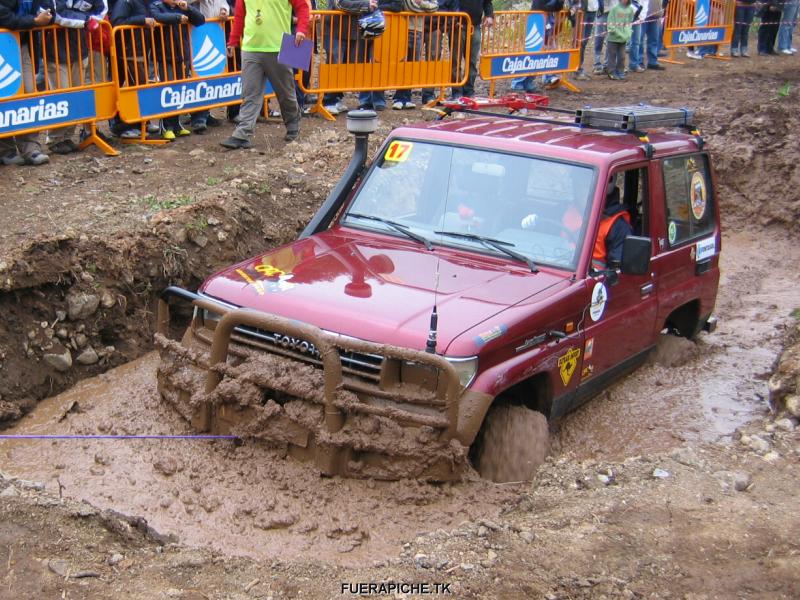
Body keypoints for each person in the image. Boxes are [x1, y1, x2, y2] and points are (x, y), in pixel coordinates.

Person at [221, 0, 309, 148]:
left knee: (285, 92)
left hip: (279, 47)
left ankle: (293, 125)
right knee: (250, 94)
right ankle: (243, 133)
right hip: (250, 48)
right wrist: (233, 41)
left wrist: (301, 29)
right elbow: (239, 16)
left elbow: (303, 8)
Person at [38, 0, 108, 154]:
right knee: (61, 95)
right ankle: (55, 138)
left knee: (77, 94)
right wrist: (85, 20)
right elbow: (56, 14)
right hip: (55, 51)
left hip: (79, 48)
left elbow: (101, 11)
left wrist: (82, 19)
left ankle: (68, 135)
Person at [0, 0, 52, 165]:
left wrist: (47, 15)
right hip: (3, 45)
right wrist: (34, 21)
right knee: (5, 97)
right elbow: (3, 15)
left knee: (29, 95)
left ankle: (31, 148)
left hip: (22, 45)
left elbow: (49, 7)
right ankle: (5, 150)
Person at [150, 0, 205, 139]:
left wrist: (188, 8)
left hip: (182, 55)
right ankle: (166, 126)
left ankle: (176, 125)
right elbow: (159, 17)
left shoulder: (182, 7)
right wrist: (178, 18)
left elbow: (200, 20)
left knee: (179, 92)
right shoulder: (156, 6)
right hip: (165, 56)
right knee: (168, 91)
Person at [189, 0, 230, 133]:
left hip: (214, 34)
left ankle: (206, 114)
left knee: (211, 77)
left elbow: (223, 3)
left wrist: (224, 11)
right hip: (196, 36)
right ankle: (198, 118)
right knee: (198, 78)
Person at [451, 0, 492, 98]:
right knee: (455, 60)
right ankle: (456, 90)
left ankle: (469, 90)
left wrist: (489, 15)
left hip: (475, 25)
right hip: (458, 25)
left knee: (472, 61)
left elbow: (487, 2)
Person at [592, 182, 632, 270]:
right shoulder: (566, 212)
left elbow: (617, 272)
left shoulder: (618, 226)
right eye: (577, 182)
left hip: (597, 280)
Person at [606, 0, 635, 80]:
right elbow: (610, 25)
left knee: (622, 56)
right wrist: (618, 33)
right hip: (613, 38)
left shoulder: (630, 10)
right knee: (612, 56)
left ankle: (620, 71)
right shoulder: (614, 9)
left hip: (623, 39)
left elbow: (629, 23)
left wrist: (628, 33)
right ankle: (611, 72)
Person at [572, 0, 598, 80]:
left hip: (593, 9)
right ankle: (576, 70)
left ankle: (579, 68)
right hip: (582, 9)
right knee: (579, 40)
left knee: (584, 41)